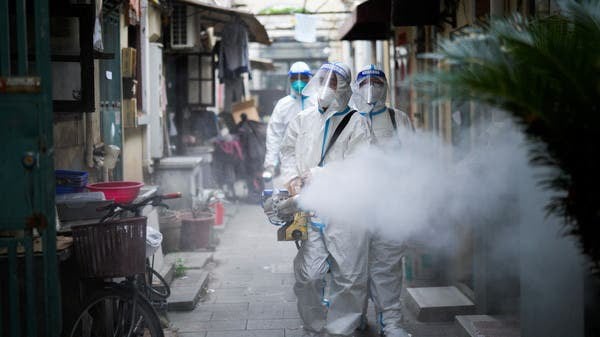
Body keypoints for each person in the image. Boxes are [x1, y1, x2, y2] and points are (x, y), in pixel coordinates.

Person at [279, 62, 373, 336]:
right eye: (322, 81)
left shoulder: (358, 123)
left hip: (346, 208)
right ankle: (315, 325)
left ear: (344, 88)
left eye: (333, 83)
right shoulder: (303, 119)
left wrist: (321, 173)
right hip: (307, 206)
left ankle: (342, 328)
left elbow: (360, 164)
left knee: (349, 275)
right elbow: (286, 151)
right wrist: (290, 179)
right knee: (309, 275)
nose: (326, 87)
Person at [352, 64, 413, 337]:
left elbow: (414, 161)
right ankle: (356, 316)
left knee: (388, 266)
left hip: (391, 206)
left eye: (377, 82)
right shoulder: (348, 119)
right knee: (353, 266)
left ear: (385, 86)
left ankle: (391, 322)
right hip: (354, 207)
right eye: (366, 82)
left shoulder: (398, 119)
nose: (372, 88)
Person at [263, 62, 315, 187]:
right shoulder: (282, 105)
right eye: (294, 78)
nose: (299, 81)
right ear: (289, 80)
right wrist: (270, 164)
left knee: (315, 198)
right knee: (292, 196)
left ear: (310, 78)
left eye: (303, 77)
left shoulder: (318, 102)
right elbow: (274, 135)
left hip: (314, 159)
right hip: (289, 160)